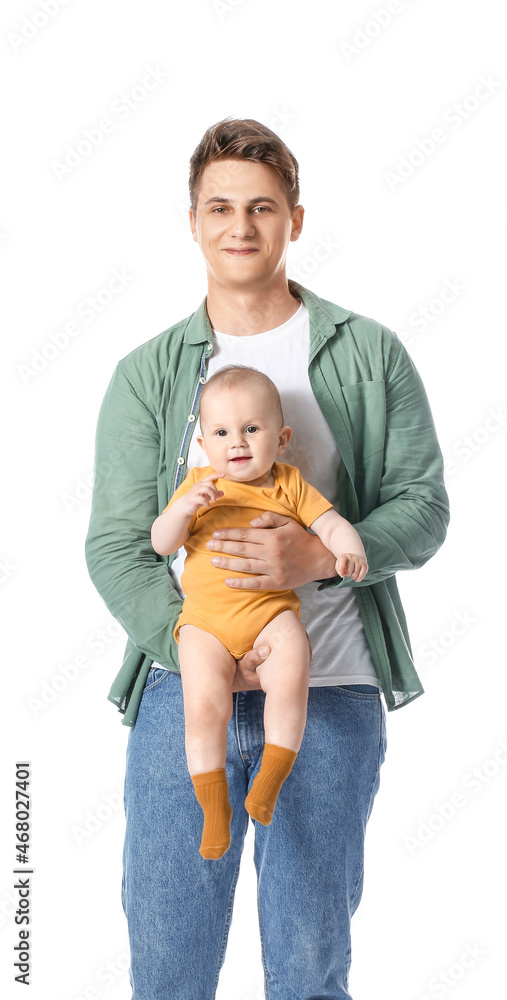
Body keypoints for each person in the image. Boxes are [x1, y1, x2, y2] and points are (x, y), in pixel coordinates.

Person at [85, 117, 449, 999]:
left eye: (260, 206)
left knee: (309, 971)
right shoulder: (149, 372)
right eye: (220, 207)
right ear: (193, 221)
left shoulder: (367, 352)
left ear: (293, 218)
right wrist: (194, 645)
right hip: (184, 690)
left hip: (328, 691)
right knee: (168, 972)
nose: (239, 225)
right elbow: (115, 544)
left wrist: (314, 559)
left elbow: (424, 508)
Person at [151, 364, 368, 859]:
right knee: (204, 705)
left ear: (282, 437)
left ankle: (271, 775)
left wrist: (349, 549)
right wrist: (183, 511)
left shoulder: (287, 484)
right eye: (223, 432)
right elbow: (161, 543)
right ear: (204, 444)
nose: (238, 442)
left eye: (252, 429)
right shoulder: (199, 486)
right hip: (205, 621)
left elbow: (331, 524)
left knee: (292, 667)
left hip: (271, 615)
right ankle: (213, 810)